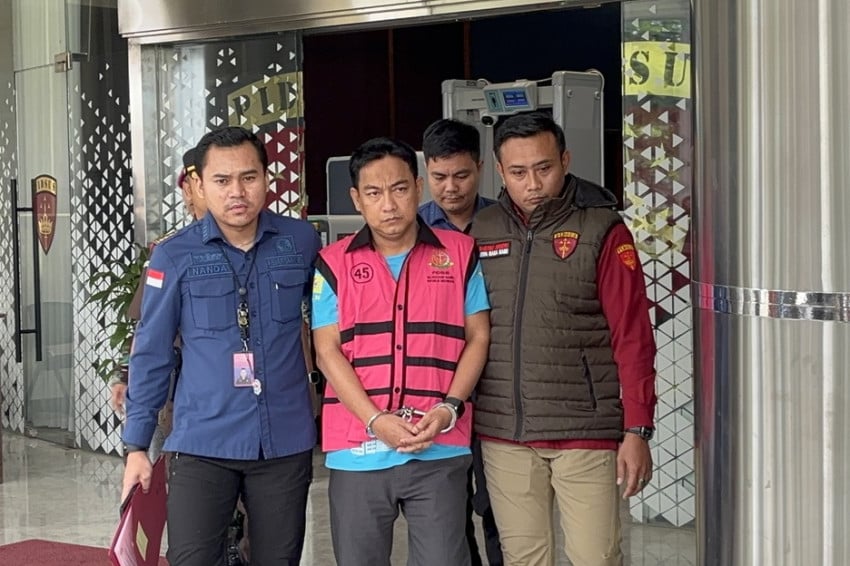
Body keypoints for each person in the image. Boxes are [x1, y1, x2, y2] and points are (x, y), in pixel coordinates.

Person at [122, 126, 321, 566]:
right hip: (202, 441)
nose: (237, 192)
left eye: (249, 178)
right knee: (191, 559)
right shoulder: (174, 255)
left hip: (284, 441)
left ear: (267, 178)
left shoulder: (301, 241)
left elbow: (332, 327)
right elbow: (152, 352)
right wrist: (136, 446)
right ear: (199, 184)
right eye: (222, 180)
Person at [469, 112, 657, 566]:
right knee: (524, 558)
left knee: (596, 556)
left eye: (544, 168)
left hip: (584, 431)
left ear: (565, 161)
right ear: (500, 171)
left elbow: (633, 335)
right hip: (505, 432)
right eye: (518, 172)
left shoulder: (602, 229)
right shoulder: (482, 231)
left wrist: (637, 429)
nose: (533, 184)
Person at [311, 136, 491, 566]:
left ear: (418, 187)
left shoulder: (460, 252)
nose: (389, 204)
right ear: (357, 199)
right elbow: (326, 351)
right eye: (374, 193)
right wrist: (375, 420)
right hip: (357, 449)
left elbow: (478, 337)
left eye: (399, 189)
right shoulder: (332, 262)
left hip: (440, 444)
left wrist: (449, 408)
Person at [419, 118, 502, 566]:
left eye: (461, 175)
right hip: (435, 387)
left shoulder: (503, 223)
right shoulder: (411, 228)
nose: (450, 187)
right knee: (447, 514)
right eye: (439, 176)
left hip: (496, 387)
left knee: (497, 506)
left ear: (481, 168)